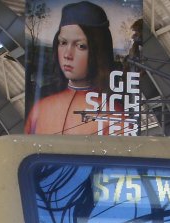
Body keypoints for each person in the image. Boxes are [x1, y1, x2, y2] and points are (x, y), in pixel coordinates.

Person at [24, 2, 119, 136]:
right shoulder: (40, 107)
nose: (67, 54)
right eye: (63, 43)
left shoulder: (114, 116)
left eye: (80, 46)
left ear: (98, 51)